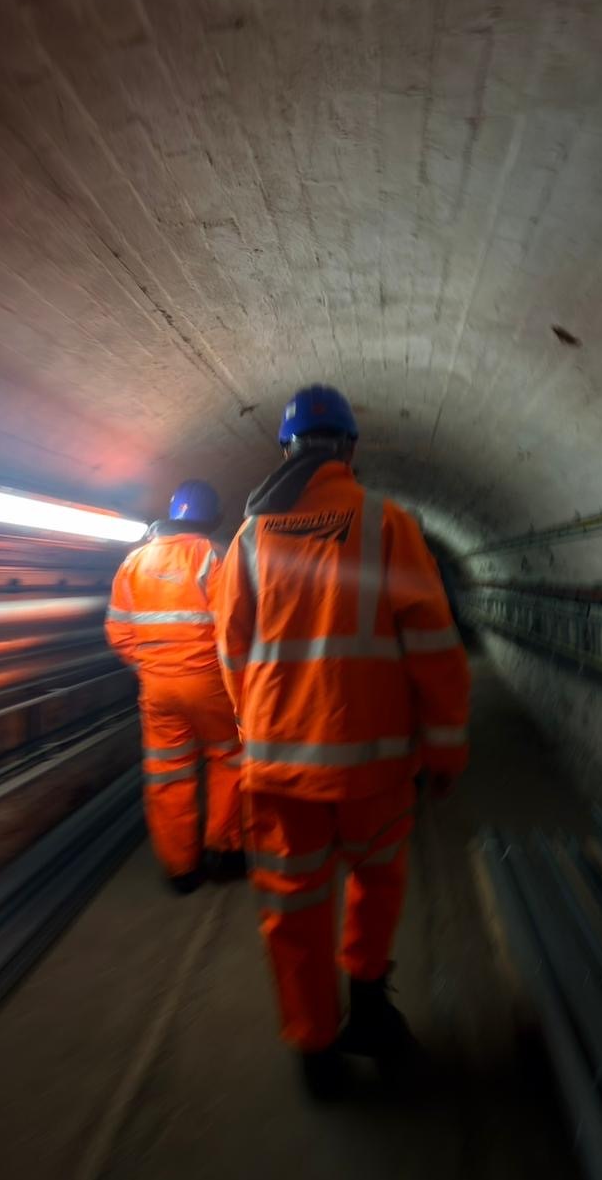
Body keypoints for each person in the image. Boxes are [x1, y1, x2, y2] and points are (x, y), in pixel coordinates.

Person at [213, 386, 471, 1095]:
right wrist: (445, 747)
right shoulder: (386, 523)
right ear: (350, 449)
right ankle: (369, 1009)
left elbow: (230, 650)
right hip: (374, 765)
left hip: (277, 770)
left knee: (291, 908)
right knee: (375, 881)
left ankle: (314, 1051)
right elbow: (434, 646)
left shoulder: (249, 538)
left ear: (286, 451)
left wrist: (256, 725)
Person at [106, 479, 244, 895]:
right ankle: (224, 851)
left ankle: (181, 869)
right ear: (213, 518)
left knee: (168, 770)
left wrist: (150, 667)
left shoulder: (133, 561)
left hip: (157, 687)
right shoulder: (213, 555)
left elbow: (118, 631)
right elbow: (233, 628)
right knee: (229, 757)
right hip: (209, 683)